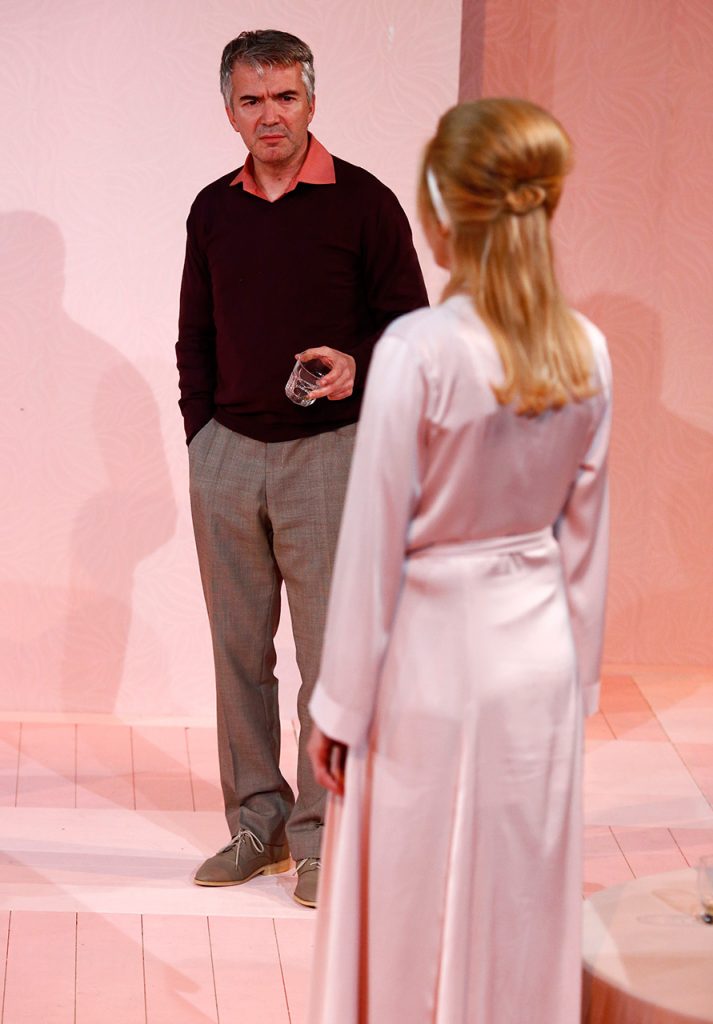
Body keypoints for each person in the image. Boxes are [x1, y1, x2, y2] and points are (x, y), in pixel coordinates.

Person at [306, 98, 612, 1022]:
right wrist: (576, 690)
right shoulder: (586, 350)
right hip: (538, 666)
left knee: (407, 902)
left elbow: (372, 545)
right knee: (516, 901)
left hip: (427, 662)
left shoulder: (419, 349)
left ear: (440, 209)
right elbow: (585, 545)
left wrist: (338, 705)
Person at [176, 29, 428, 908]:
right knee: (236, 654)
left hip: (330, 456)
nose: (270, 115)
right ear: (229, 112)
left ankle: (323, 837)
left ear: (311, 102)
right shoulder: (212, 209)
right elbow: (194, 334)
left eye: (284, 96)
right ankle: (260, 824)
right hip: (227, 457)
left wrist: (359, 361)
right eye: (251, 100)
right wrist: (200, 436)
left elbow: (409, 327)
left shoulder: (364, 202)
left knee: (328, 659)